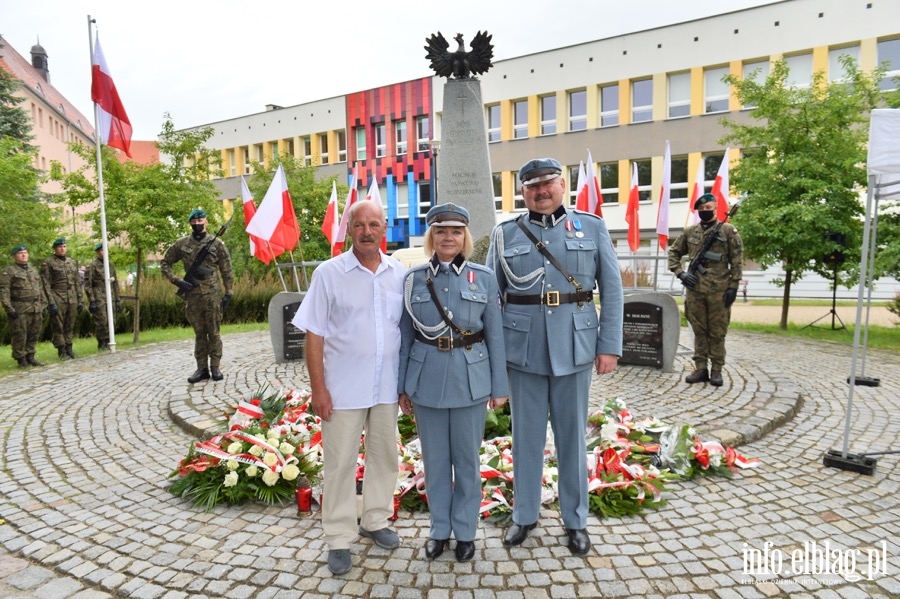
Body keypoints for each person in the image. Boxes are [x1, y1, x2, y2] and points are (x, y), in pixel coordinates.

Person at [486, 157, 624, 556]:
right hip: (523, 350)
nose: (541, 192)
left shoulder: (592, 227)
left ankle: (575, 520)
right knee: (525, 439)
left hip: (575, 347)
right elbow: (493, 302)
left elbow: (612, 290)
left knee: (571, 439)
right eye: (532, 186)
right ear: (523, 192)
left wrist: (608, 345)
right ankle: (524, 515)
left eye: (548, 183)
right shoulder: (505, 234)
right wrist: (496, 359)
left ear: (562, 185)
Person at [291, 200, 406, 576]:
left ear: (384, 230)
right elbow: (315, 335)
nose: (367, 231)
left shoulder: (398, 274)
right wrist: (318, 389)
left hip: (386, 387)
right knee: (339, 464)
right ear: (349, 229)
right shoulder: (329, 273)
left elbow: (403, 333)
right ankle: (339, 537)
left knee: (385, 457)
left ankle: (375, 520)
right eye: (360, 225)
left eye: (375, 224)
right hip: (342, 388)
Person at [397, 203, 509, 562]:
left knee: (467, 461)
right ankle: (438, 529)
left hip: (469, 378)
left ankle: (465, 531)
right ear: (432, 236)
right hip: (426, 378)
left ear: (465, 238)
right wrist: (401, 386)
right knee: (434, 461)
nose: (449, 237)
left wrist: (500, 386)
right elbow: (405, 336)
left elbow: (496, 335)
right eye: (441, 231)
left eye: (456, 231)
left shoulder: (484, 278)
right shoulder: (412, 279)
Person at [668, 192, 743, 387]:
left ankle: (716, 370)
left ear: (715, 209)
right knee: (699, 329)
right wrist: (681, 273)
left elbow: (736, 260)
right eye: (701, 210)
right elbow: (674, 253)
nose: (704, 212)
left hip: (719, 289)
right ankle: (701, 368)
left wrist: (733, 287)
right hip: (695, 289)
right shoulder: (689, 232)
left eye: (708, 209)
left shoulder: (728, 231)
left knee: (717, 331)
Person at [160, 209, 234, 383]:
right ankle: (202, 369)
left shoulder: (217, 244)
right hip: (192, 294)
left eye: (201, 220)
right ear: (190, 224)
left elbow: (227, 270)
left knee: (214, 332)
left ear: (206, 222)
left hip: (212, 293)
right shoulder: (182, 244)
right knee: (200, 333)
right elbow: (165, 263)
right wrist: (176, 281)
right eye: (194, 221)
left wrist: (229, 292)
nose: (198, 223)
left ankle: (215, 366)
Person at [0, 244, 47, 368]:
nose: (24, 254)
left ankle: (30, 356)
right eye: (21, 253)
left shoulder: (32, 269)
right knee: (20, 334)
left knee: (34, 332)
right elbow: (4, 292)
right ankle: (21, 359)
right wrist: (9, 308)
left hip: (35, 307)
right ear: (14, 256)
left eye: (25, 252)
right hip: (20, 308)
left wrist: (43, 304)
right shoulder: (8, 271)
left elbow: (40, 288)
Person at [40, 238, 83, 360]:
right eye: (60, 247)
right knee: (58, 325)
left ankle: (69, 349)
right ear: (54, 249)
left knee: (70, 324)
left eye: (64, 246)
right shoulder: (48, 263)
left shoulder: (71, 262)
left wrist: (80, 299)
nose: (62, 248)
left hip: (72, 296)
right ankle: (62, 351)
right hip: (58, 296)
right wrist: (51, 302)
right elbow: (46, 284)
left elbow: (77, 282)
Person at [85, 243, 121, 351]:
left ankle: (110, 340)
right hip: (99, 296)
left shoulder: (110, 265)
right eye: (101, 250)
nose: (104, 252)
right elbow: (88, 284)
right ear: (97, 252)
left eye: (105, 250)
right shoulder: (92, 266)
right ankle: (102, 342)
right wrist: (92, 300)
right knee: (102, 320)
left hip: (111, 296)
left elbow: (115, 283)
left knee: (112, 320)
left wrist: (118, 299)